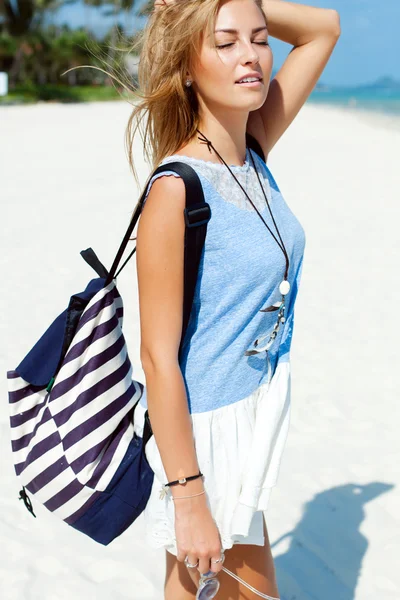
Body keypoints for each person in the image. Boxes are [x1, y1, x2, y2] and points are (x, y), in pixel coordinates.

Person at [129, 0, 341, 598]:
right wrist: (191, 496)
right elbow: (156, 357)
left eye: (258, 38)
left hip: (249, 420)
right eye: (224, 43)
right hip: (206, 436)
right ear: (187, 65)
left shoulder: (252, 148)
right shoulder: (175, 189)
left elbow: (324, 27)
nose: (250, 55)